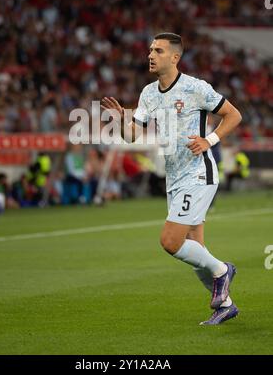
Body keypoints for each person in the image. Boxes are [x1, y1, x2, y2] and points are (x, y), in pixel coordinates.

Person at [101, 32, 242, 325]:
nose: (151, 55)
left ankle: (222, 270)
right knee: (195, 251)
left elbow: (233, 115)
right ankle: (225, 306)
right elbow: (132, 136)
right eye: (151, 49)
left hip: (198, 173)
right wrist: (121, 121)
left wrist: (210, 140)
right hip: (174, 178)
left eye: (159, 50)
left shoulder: (195, 88)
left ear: (175, 57)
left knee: (170, 241)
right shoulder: (148, 93)